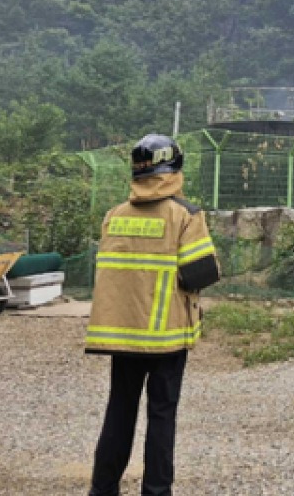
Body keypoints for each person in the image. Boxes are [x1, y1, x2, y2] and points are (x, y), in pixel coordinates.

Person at [87, 134, 220, 496]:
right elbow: (201, 274)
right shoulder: (186, 216)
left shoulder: (114, 216)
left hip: (121, 335)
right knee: (161, 416)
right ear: (174, 170)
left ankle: (102, 489)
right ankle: (156, 491)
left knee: (119, 411)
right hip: (166, 337)